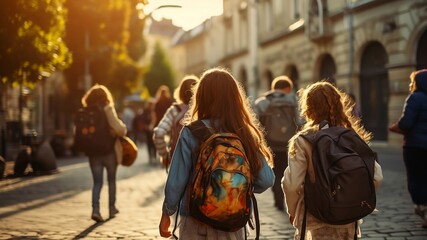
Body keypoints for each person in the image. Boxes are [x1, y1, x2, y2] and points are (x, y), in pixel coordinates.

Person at [158, 67, 275, 239]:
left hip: (194, 217)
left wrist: (167, 212)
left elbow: (177, 179)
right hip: (232, 222)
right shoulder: (244, 132)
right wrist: (236, 189)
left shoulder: (192, 132)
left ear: (201, 97)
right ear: (235, 98)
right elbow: (266, 179)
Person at [282, 81, 383, 239]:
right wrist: (353, 198)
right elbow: (377, 177)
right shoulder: (351, 136)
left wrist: (293, 211)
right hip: (347, 218)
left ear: (308, 108)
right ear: (338, 104)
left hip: (314, 216)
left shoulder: (303, 140)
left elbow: (292, 184)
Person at [80, 84, 127, 222]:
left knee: (97, 182)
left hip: (93, 153)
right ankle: (112, 208)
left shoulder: (86, 111)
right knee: (111, 180)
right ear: (106, 97)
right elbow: (120, 130)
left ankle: (95, 210)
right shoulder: (107, 109)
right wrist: (119, 129)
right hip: (109, 151)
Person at [254, 75, 299, 211]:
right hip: (289, 143)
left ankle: (278, 200)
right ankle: (289, 199)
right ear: (287, 88)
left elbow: (254, 123)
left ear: (274, 88)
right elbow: (301, 121)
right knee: (288, 171)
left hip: (271, 144)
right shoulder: (294, 101)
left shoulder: (263, 102)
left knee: (275, 171)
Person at [389, 69, 427, 228]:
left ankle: (422, 207)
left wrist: (395, 127)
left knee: (415, 178)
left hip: (415, 147)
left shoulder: (415, 98)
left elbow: (406, 124)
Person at [152, 75, 198, 169]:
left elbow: (159, 133)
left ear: (180, 92)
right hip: (200, 161)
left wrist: (164, 155)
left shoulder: (175, 110)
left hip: (179, 160)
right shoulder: (203, 110)